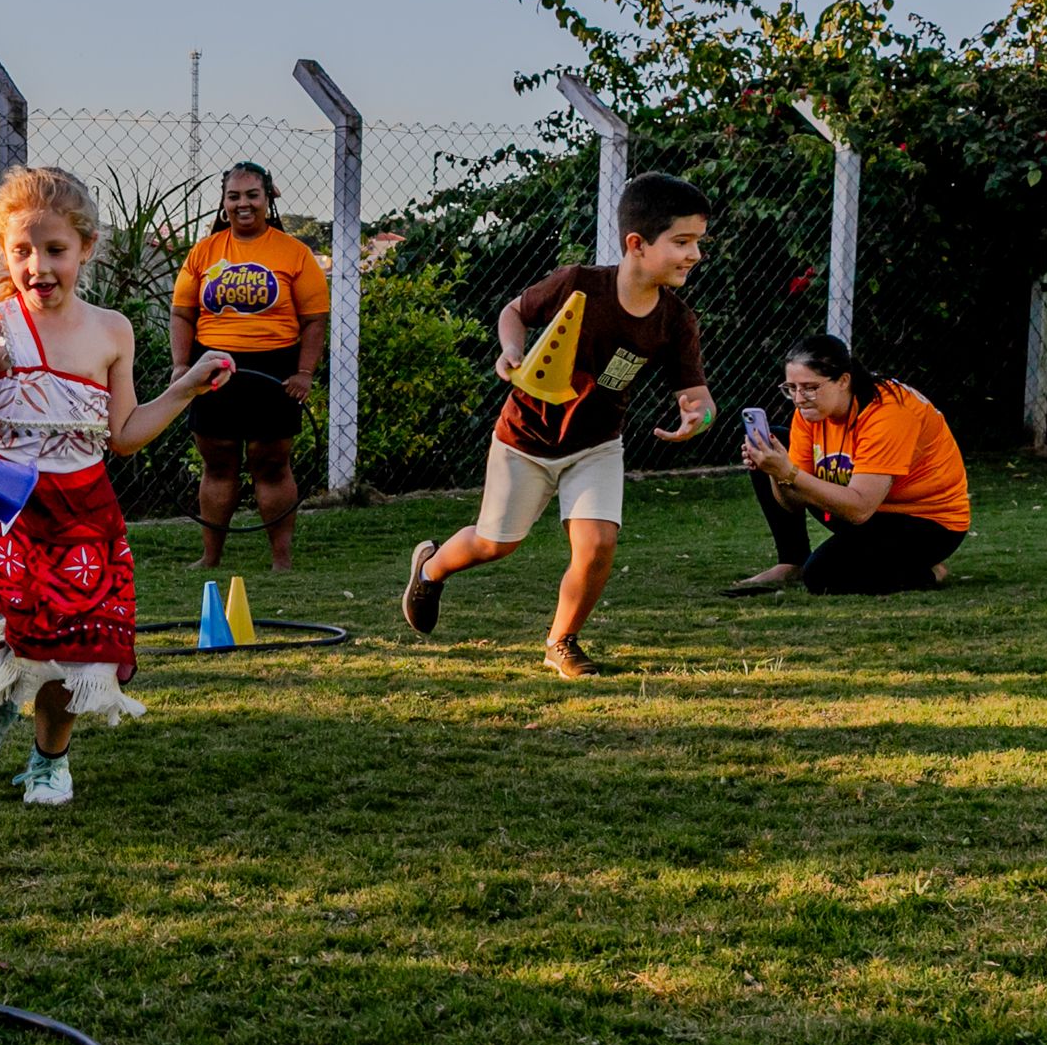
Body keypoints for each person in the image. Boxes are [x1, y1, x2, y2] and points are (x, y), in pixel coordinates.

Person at [0, 166, 234, 805]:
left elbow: (123, 433)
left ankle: (50, 760)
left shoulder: (112, 330)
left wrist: (187, 386)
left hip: (83, 513)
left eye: (55, 250)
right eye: (22, 251)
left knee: (75, 647)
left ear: (86, 248)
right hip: (3, 509)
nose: (38, 266)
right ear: (4, 252)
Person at [399, 171, 716, 678]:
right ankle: (432, 567)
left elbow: (697, 395)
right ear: (636, 244)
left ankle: (561, 642)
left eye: (697, 242)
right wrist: (511, 351)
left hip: (596, 445)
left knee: (597, 545)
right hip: (525, 439)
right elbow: (513, 312)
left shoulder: (676, 320)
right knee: (494, 543)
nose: (694, 255)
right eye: (682, 242)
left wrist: (696, 418)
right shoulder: (578, 284)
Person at [169, 160, 328, 571]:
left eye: (252, 195)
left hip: (274, 367)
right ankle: (211, 556)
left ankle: (281, 560)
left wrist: (304, 372)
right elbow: (183, 314)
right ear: (223, 204)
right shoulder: (203, 252)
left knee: (270, 462)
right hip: (214, 364)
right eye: (234, 196)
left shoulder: (293, 253)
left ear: (268, 198)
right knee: (218, 460)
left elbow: (314, 320)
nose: (243, 204)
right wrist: (181, 366)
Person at [734, 334, 969, 595]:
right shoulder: (808, 414)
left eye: (810, 388)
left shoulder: (889, 412)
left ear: (844, 380)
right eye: (791, 388)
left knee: (823, 576)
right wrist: (774, 471)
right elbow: (792, 502)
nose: (799, 398)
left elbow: (859, 509)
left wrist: (788, 471)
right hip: (864, 511)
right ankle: (792, 561)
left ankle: (928, 571)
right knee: (774, 442)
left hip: (925, 522)